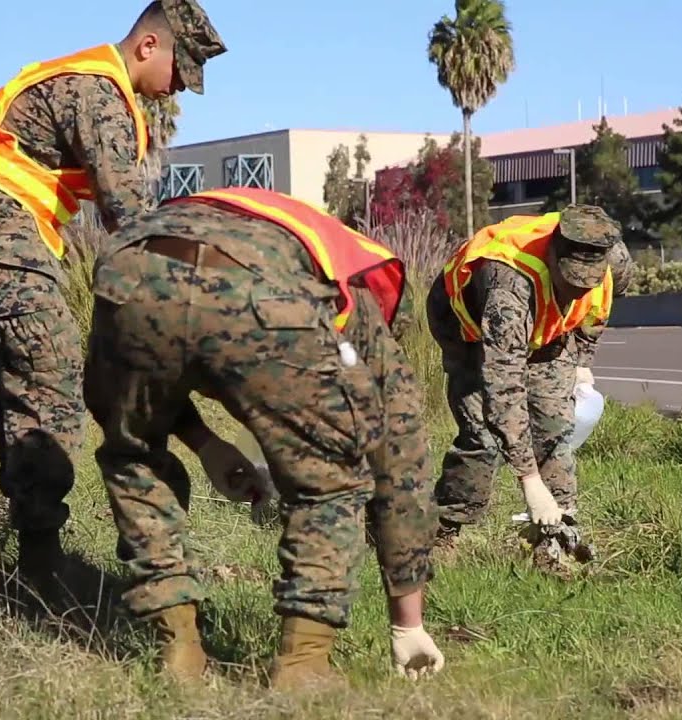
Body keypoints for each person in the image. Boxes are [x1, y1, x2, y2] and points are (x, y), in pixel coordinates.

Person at [0, 0, 234, 592]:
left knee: (18, 394)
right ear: (149, 46)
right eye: (179, 72)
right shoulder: (100, 94)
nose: (177, 91)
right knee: (51, 392)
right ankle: (41, 576)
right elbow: (128, 216)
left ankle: (31, 556)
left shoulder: (83, 79)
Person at [83, 187, 444, 687]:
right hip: (255, 287)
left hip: (132, 268)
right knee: (329, 484)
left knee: (134, 455)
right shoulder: (359, 300)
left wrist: (207, 444)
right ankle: (303, 669)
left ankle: (178, 652)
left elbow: (144, 385)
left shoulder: (291, 227)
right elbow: (401, 469)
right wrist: (409, 623)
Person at [424, 205, 635, 562]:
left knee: (554, 427)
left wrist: (582, 362)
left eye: (586, 282)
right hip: (468, 330)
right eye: (569, 279)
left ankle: (556, 539)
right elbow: (503, 387)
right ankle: (440, 530)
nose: (576, 290)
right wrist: (529, 480)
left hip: (548, 330)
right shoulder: (509, 282)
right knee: (484, 437)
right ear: (552, 256)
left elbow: (598, 312)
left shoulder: (612, 257)